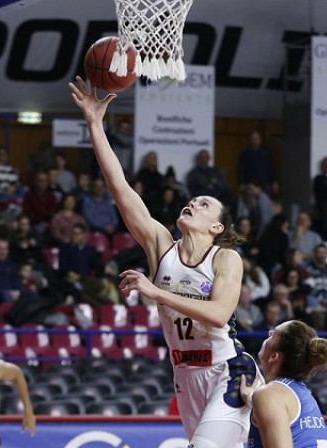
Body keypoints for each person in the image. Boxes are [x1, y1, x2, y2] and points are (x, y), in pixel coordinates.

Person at [69, 78, 256, 447]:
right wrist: (94, 123)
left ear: (217, 226)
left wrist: (157, 292)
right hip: (184, 374)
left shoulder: (226, 258)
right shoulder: (161, 247)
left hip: (227, 370)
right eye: (192, 200)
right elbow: (119, 187)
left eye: (204, 204)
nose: (193, 204)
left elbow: (218, 314)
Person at [239, 320, 327, 448]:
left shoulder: (268, 394)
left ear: (273, 356)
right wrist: (250, 398)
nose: (269, 333)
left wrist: (255, 397)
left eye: (273, 335)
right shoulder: (302, 394)